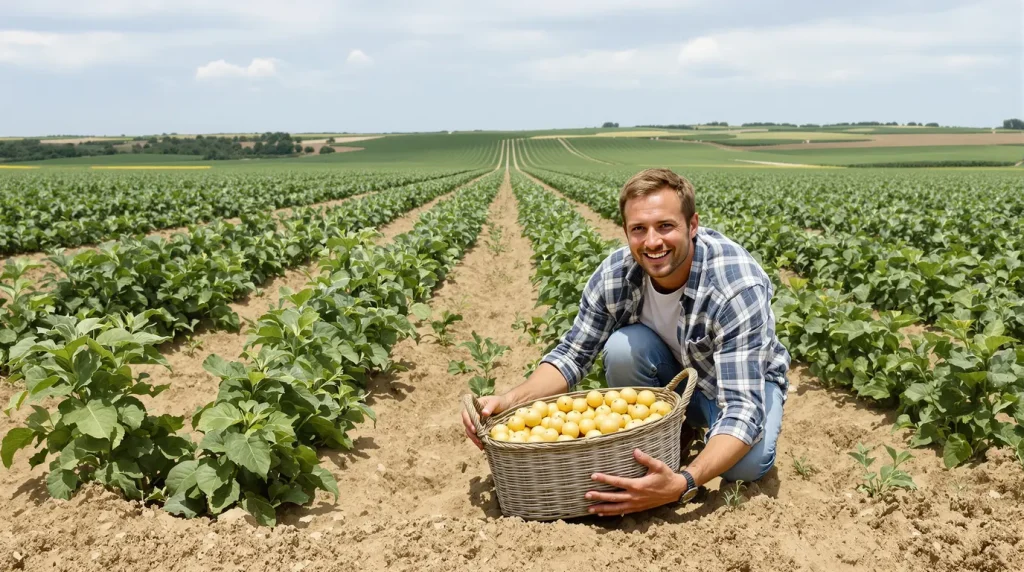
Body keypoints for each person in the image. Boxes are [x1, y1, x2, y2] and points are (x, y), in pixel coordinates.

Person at [462, 168, 790, 517]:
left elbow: (742, 408)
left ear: (692, 225)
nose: (652, 242)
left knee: (745, 466)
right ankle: (669, 437)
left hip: (741, 382)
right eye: (639, 229)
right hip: (673, 380)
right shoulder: (614, 276)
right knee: (622, 349)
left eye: (666, 226)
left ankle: (681, 452)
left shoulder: (735, 287)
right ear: (626, 232)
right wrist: (510, 401)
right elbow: (573, 354)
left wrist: (683, 483)